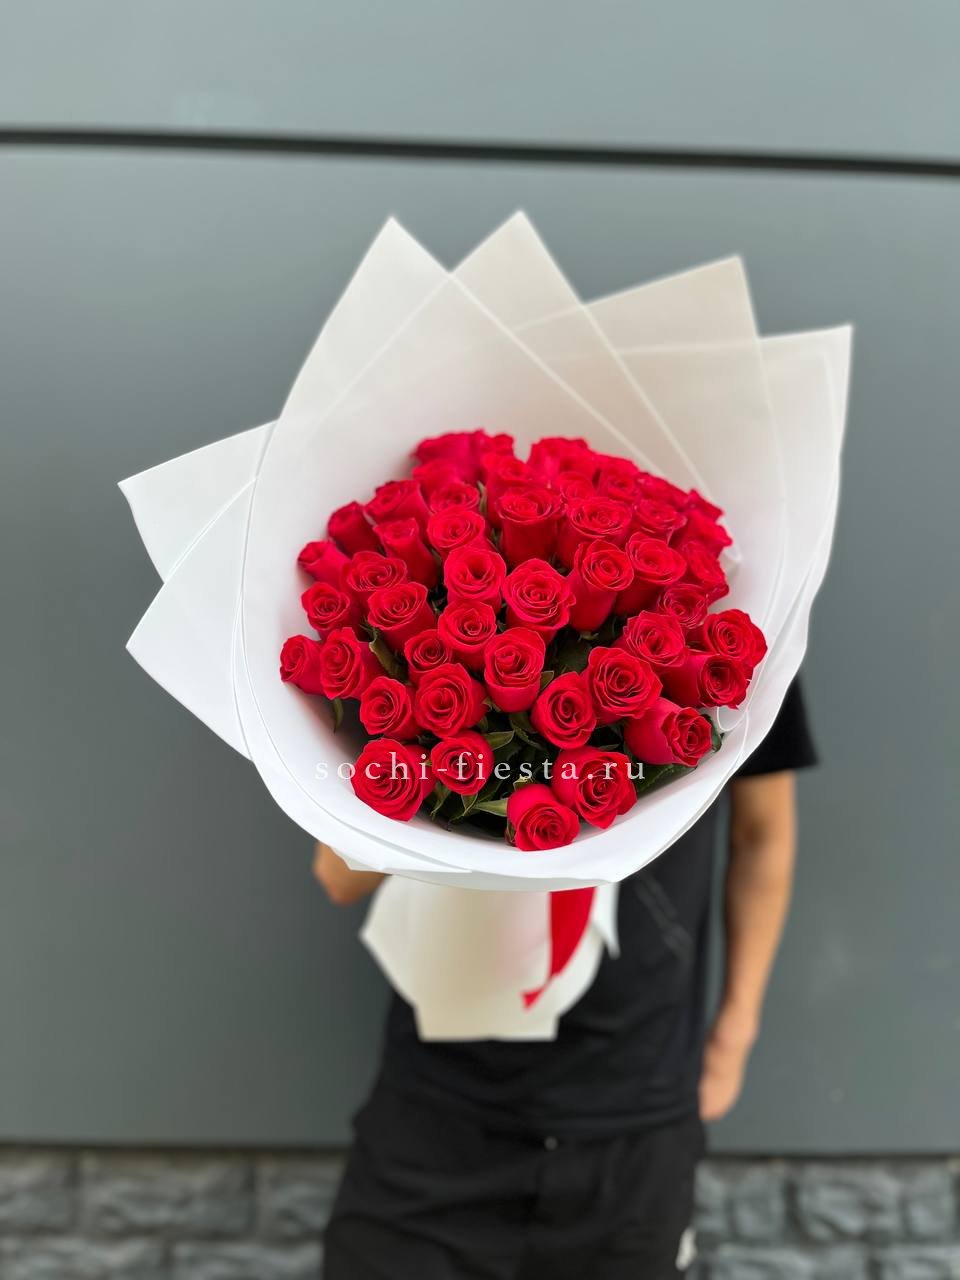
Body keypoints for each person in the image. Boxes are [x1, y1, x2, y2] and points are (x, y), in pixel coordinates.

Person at [317, 679, 817, 1280]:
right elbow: (338, 875)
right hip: (440, 1099)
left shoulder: (736, 644)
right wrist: (457, 744)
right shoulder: (426, 643)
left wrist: (734, 1034)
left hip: (635, 1106)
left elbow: (762, 833)